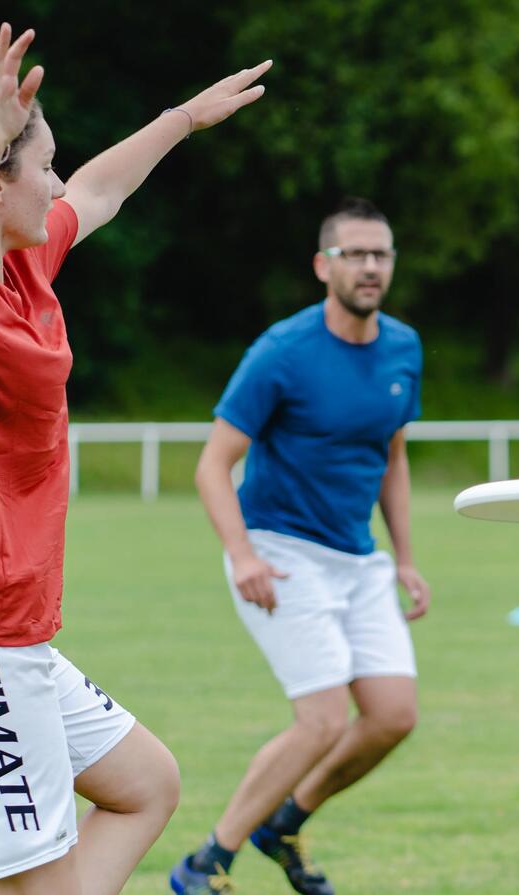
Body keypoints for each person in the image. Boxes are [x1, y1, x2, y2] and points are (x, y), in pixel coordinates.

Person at [0, 23, 266, 893]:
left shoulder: (29, 265)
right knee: (41, 883)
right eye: (43, 165)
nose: (59, 181)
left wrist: (182, 118)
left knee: (147, 784)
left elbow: (102, 188)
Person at [168, 198, 428, 895]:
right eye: (356, 254)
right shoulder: (282, 351)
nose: (371, 266)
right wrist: (244, 554)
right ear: (324, 265)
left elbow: (392, 457)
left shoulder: (404, 347)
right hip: (280, 552)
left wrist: (403, 557)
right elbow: (211, 464)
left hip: (358, 558)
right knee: (320, 719)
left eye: (382, 254)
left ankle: (284, 820)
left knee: (394, 714)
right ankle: (205, 864)